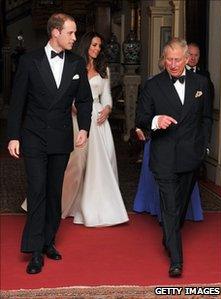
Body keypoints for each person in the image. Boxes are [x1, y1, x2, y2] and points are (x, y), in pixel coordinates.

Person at [7, 13, 93, 274]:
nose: (75, 38)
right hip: (33, 137)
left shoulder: (77, 63)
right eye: (71, 33)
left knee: (55, 193)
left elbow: (85, 100)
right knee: (37, 191)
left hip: (60, 137)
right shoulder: (29, 61)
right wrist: (13, 135)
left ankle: (48, 241)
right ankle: (34, 250)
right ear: (55, 32)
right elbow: (17, 101)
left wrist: (85, 128)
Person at [136, 37, 212, 277]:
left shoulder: (202, 83)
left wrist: (204, 147)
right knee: (169, 206)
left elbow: (207, 118)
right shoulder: (153, 85)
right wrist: (156, 121)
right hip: (164, 155)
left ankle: (169, 236)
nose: (173, 64)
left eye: (177, 59)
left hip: (191, 156)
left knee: (178, 207)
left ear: (187, 59)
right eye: (169, 59)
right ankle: (176, 260)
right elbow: (141, 118)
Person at [61, 32, 129, 227]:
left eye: (99, 46)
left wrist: (107, 110)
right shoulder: (73, 65)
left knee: (100, 163)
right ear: (85, 45)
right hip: (78, 119)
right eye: (94, 45)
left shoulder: (103, 68)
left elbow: (106, 96)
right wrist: (73, 106)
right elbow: (65, 93)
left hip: (99, 120)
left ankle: (98, 206)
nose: (97, 49)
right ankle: (66, 202)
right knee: (76, 164)